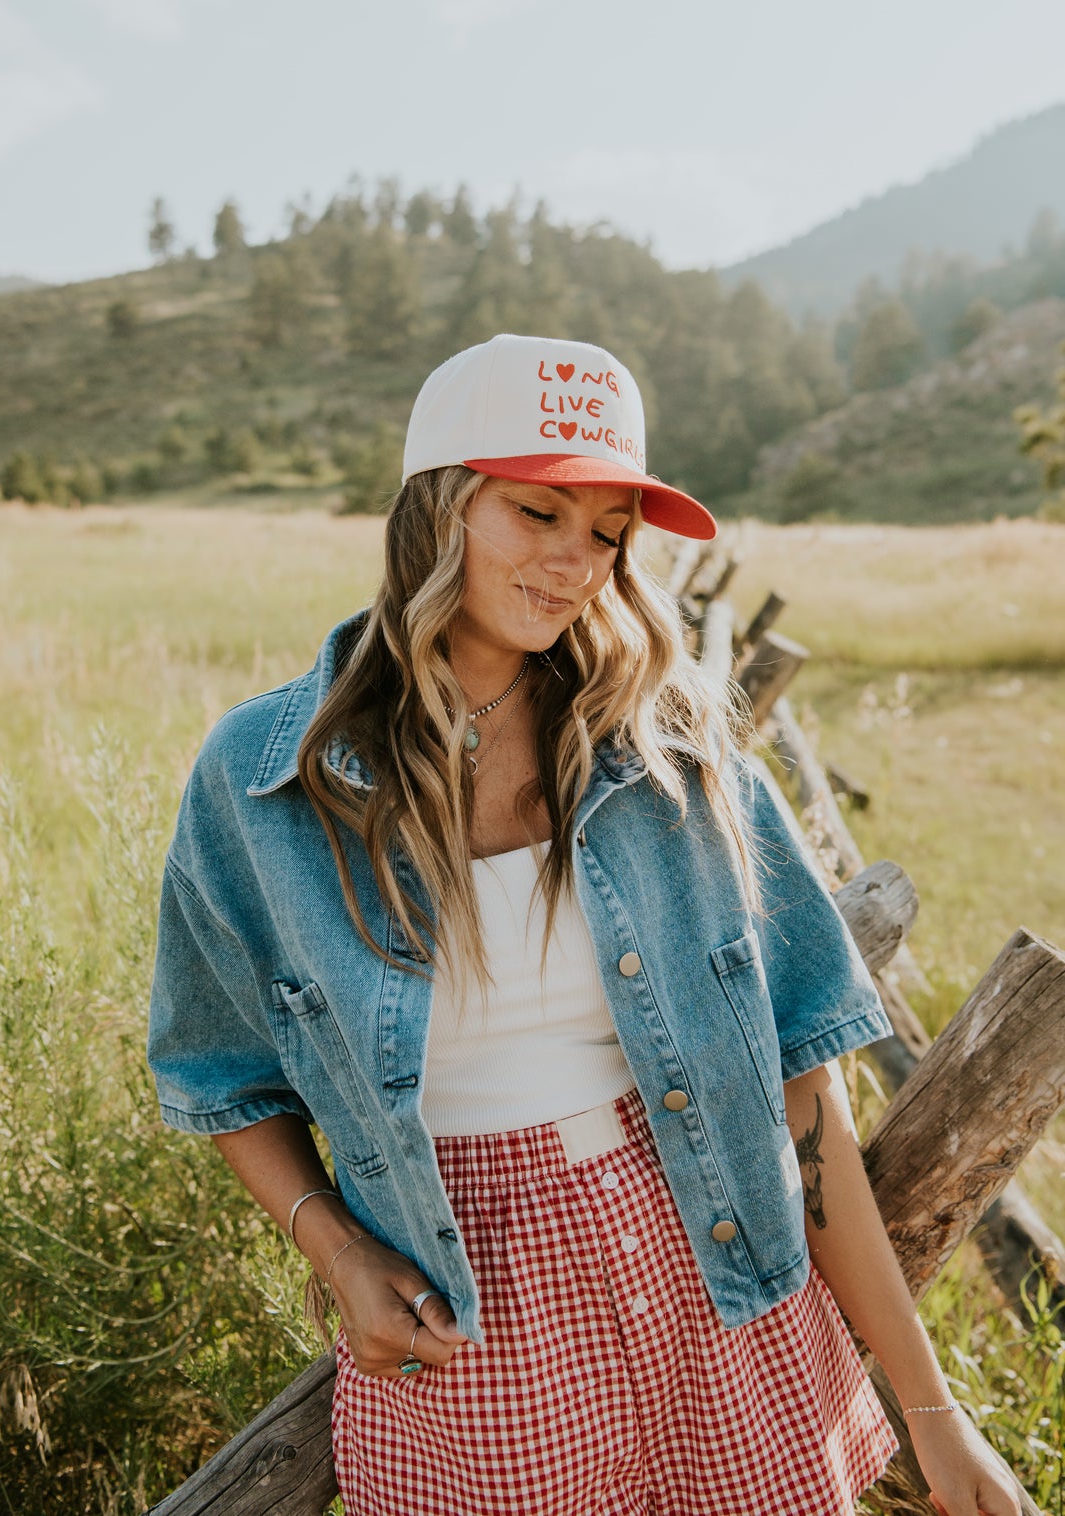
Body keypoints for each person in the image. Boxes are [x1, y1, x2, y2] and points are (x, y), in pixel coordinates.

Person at [148, 333, 1022, 1516]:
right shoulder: (264, 781)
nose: (576, 563)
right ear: (438, 505)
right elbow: (217, 1072)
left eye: (608, 531)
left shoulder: (675, 747)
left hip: (722, 1295)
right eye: (538, 511)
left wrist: (933, 1412)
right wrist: (339, 1252)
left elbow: (802, 1097)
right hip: (477, 1339)